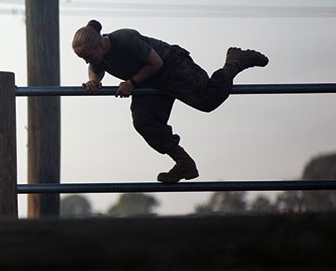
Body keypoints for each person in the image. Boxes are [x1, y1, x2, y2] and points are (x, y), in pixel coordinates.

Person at [72, 20, 268, 183]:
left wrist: (131, 83)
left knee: (209, 100)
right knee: (144, 122)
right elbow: (96, 68)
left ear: (99, 44)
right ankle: (184, 163)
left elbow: (156, 63)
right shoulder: (98, 56)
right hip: (148, 80)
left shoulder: (125, 39)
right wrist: (94, 82)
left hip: (170, 66)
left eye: (87, 56)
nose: (86, 61)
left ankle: (235, 61)